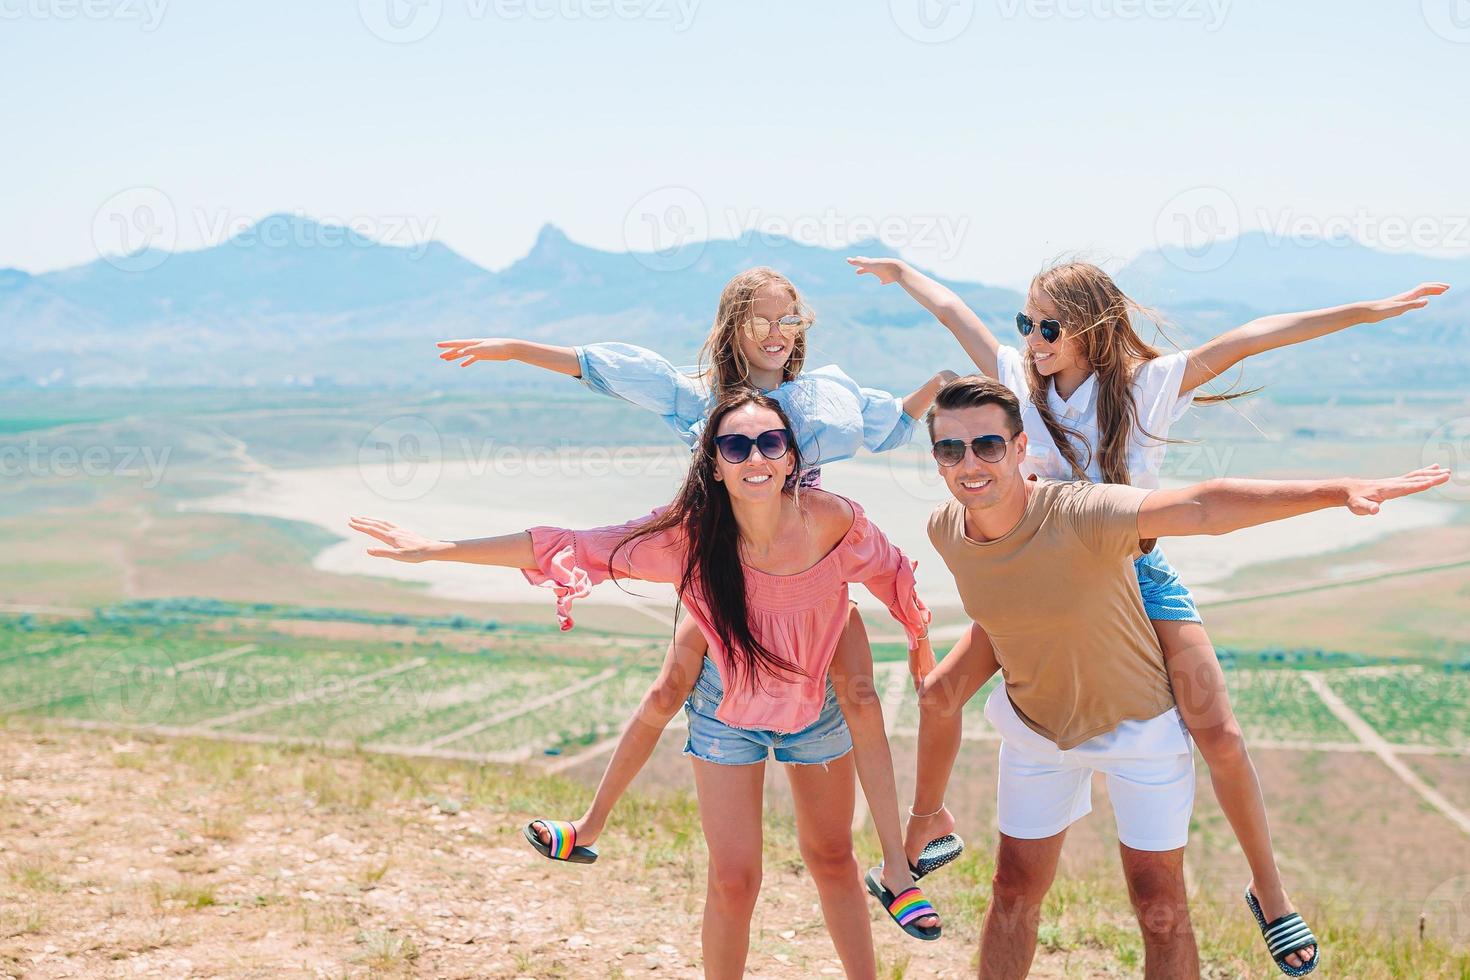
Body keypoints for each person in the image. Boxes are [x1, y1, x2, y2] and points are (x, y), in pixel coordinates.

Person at [852, 254, 1448, 973]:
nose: (1034, 339)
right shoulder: (1016, 385)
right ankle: (921, 834)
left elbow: (1253, 338)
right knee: (942, 692)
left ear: (1091, 328)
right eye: (1026, 323)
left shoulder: (1141, 387)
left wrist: (1367, 311)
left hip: (1133, 573)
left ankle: (1270, 891)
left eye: (1050, 325)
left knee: (1217, 727)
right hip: (1038, 584)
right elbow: (954, 313)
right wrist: (901, 274)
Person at [348, 391, 945, 976]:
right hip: (726, 710)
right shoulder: (685, 538)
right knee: (734, 879)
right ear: (713, 463)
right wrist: (437, 550)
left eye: (770, 442)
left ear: (791, 456)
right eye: (735, 446)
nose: (755, 458)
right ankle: (591, 826)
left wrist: (919, 641)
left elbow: (892, 571)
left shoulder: (830, 521)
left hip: (814, 706)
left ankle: (895, 869)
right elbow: (573, 544)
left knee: (832, 856)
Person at [437, 266, 964, 882]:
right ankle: (589, 826)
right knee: (666, 692)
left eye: (788, 320)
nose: (776, 333)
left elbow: (890, 423)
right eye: (760, 320)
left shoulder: (824, 397)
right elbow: (607, 370)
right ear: (732, 327)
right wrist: (514, 349)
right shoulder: (701, 396)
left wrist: (940, 382)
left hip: (802, 573)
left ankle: (900, 858)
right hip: (719, 568)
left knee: (861, 701)